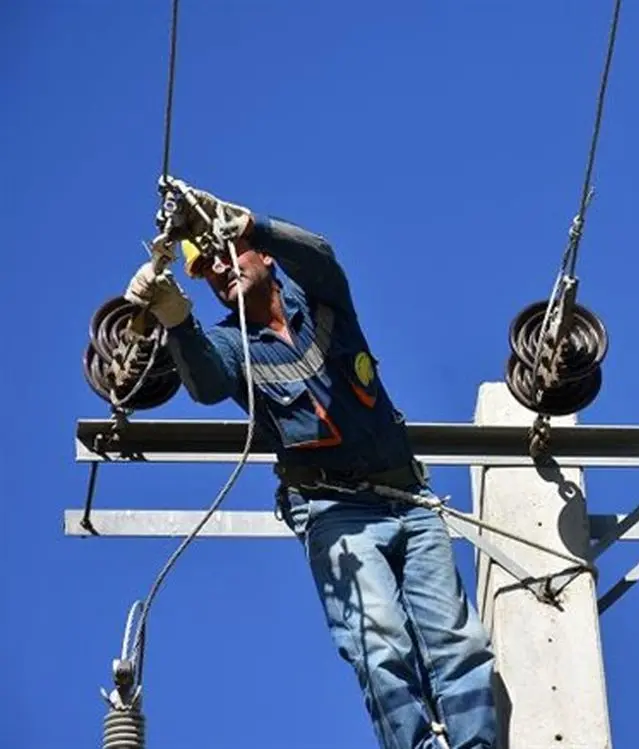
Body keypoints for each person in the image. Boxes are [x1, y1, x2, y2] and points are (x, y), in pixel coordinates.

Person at [123, 182, 499, 749]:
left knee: (457, 644)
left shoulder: (323, 300)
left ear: (262, 254)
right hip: (334, 510)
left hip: (411, 503)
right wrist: (175, 317)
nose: (222, 272)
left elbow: (320, 253)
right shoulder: (233, 346)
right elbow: (204, 381)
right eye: (209, 274)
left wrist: (252, 222)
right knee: (379, 644)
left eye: (230, 256)